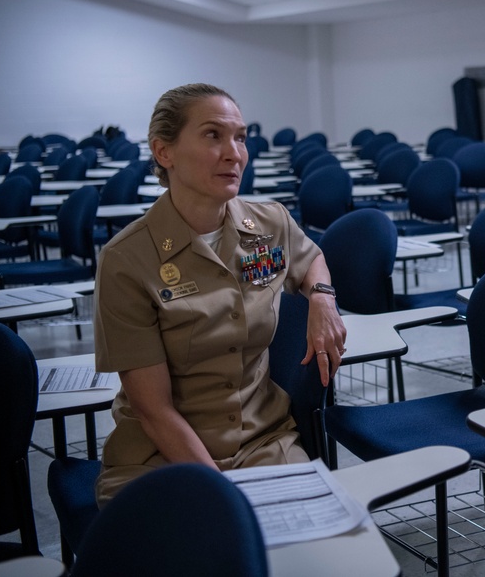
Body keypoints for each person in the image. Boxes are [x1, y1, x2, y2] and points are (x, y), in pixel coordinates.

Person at [94, 83, 346, 505]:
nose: (235, 153)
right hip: (162, 457)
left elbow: (311, 259)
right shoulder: (127, 260)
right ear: (164, 152)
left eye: (241, 137)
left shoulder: (268, 223)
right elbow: (154, 411)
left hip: (263, 444)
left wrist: (322, 299)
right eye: (213, 135)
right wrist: (222, 496)